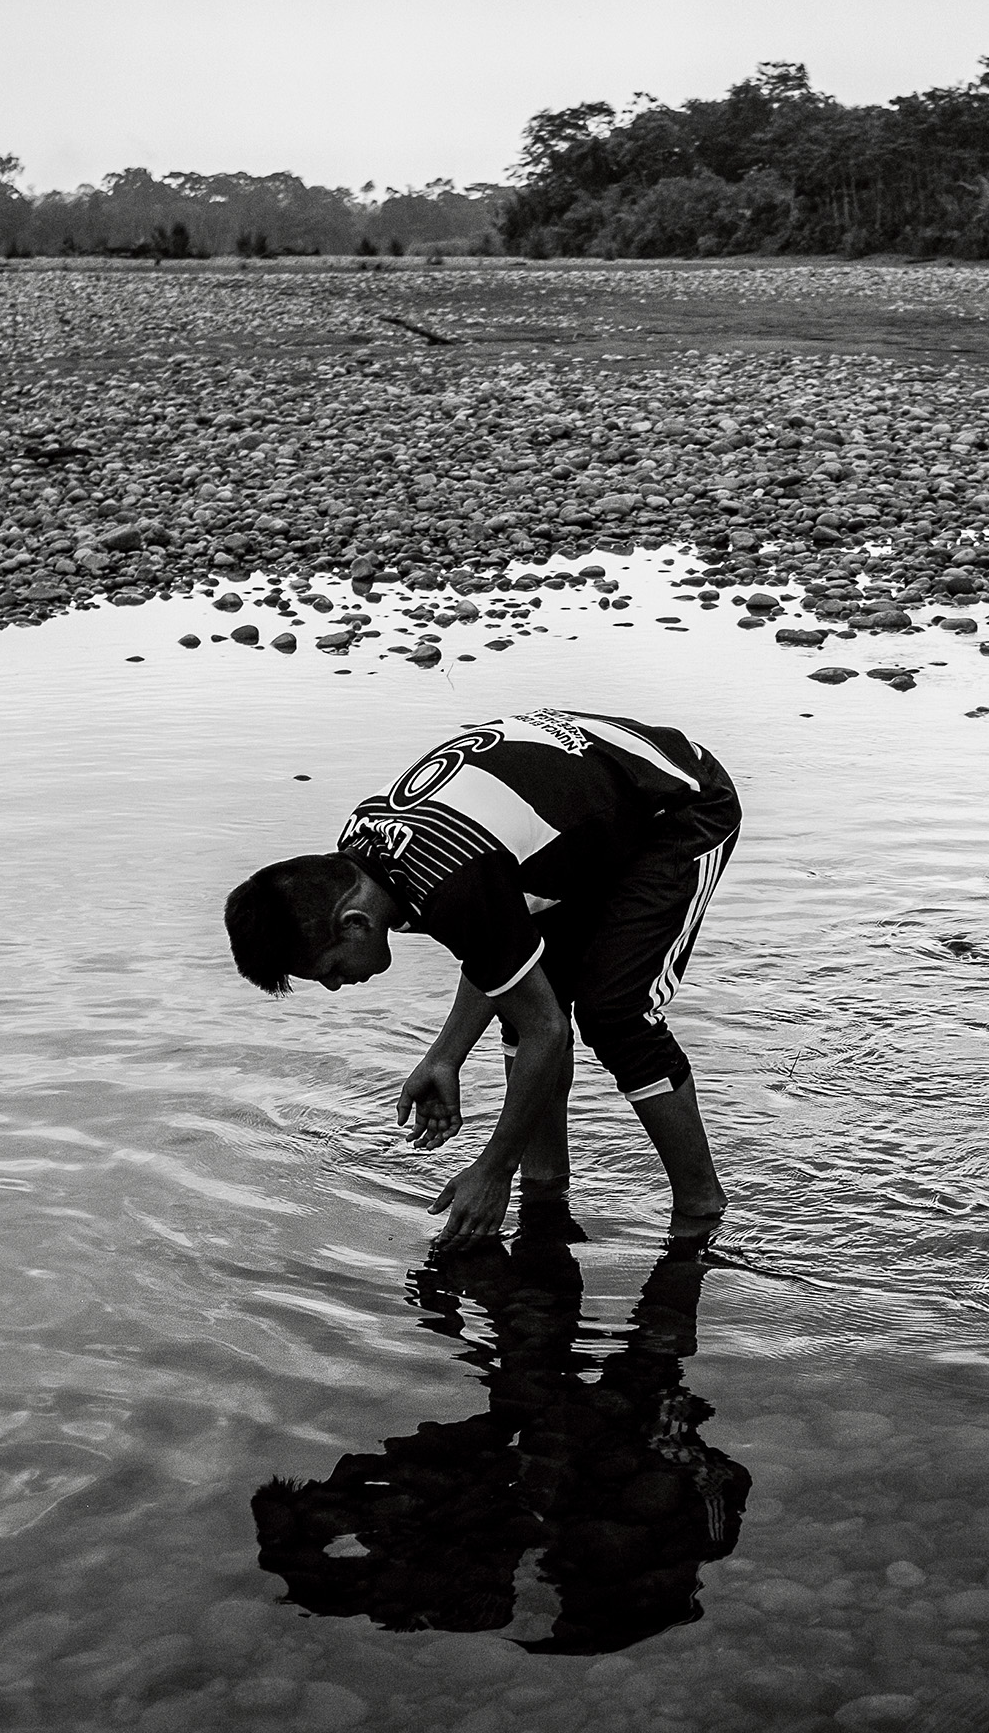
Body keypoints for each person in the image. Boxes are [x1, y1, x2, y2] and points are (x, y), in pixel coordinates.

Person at [224, 709, 738, 1250]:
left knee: (615, 1015)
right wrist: (445, 1056)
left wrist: (491, 1170)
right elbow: (492, 945)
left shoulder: (447, 878)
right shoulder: (367, 855)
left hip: (676, 804)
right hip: (577, 815)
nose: (333, 986)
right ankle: (545, 1192)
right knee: (531, 1003)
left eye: (329, 970)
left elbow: (544, 1027)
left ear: (355, 924)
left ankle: (699, 1209)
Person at [250, 1235, 748, 1655]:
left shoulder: (433, 1562)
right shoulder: (560, 1582)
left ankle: (643, 1243)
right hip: (616, 1487)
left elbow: (487, 1445)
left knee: (546, 1371)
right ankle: (679, 1248)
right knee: (636, 1374)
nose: (349, 1465)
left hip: (588, 1495)